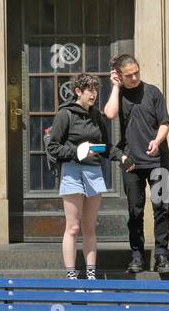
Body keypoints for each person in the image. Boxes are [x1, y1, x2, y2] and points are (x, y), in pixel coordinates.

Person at [45, 73, 123, 280]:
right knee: (73, 226)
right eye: (90, 90)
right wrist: (77, 152)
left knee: (89, 227)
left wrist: (121, 157)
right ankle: (71, 276)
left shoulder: (96, 116)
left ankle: (91, 274)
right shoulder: (65, 114)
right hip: (72, 171)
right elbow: (53, 147)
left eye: (96, 90)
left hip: (94, 172)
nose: (94, 94)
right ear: (78, 91)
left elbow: (105, 147)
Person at [104, 54, 169, 274]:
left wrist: (158, 140)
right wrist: (115, 87)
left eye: (137, 72)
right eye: (128, 75)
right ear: (119, 76)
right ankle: (137, 256)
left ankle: (161, 255)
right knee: (135, 211)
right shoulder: (120, 94)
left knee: (162, 208)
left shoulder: (153, 92)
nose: (134, 77)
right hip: (131, 162)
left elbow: (164, 122)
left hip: (158, 159)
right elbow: (110, 114)